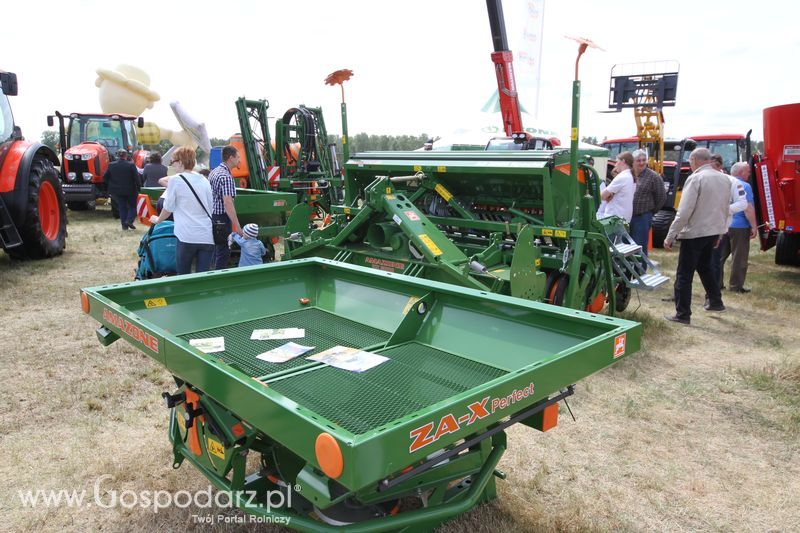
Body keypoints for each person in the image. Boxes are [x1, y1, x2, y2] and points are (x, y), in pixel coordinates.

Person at [663, 148, 732, 324]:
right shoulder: (725, 179)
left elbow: (684, 211)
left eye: (691, 161)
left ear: (694, 160)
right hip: (713, 231)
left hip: (694, 233)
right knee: (705, 267)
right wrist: (721, 232)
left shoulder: (696, 178)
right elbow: (725, 209)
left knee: (684, 275)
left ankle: (683, 314)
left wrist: (670, 235)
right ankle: (715, 301)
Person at [149, 146, 214, 274]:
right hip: (206, 235)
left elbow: (168, 208)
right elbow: (210, 207)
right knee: (204, 277)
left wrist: (158, 220)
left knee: (183, 276)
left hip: (186, 236)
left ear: (180, 162)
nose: (172, 165)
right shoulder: (204, 180)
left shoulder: (175, 180)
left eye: (172, 161)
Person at [719, 161, 758, 293]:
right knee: (739, 258)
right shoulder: (745, 186)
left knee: (719, 256)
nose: (749, 174)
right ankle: (735, 287)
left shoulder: (723, 183)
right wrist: (754, 226)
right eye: (747, 171)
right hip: (739, 227)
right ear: (741, 172)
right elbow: (748, 208)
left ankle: (716, 283)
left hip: (723, 224)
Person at [208, 146, 243, 269]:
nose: (240, 160)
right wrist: (237, 226)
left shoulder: (214, 172)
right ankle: (218, 281)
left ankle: (211, 276)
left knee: (215, 250)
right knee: (223, 252)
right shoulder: (226, 177)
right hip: (222, 219)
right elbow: (227, 202)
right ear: (231, 158)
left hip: (213, 216)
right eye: (238, 157)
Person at [630, 149, 666, 255]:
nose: (641, 163)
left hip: (642, 217)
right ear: (633, 162)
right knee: (626, 246)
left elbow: (661, 197)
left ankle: (640, 270)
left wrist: (650, 212)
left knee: (639, 246)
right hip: (626, 216)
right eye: (638, 160)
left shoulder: (654, 177)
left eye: (643, 160)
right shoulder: (628, 174)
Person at [103, 149, 140, 230]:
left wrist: (110, 185)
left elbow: (105, 177)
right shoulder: (131, 165)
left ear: (117, 155)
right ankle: (129, 220)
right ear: (126, 155)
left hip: (116, 191)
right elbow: (136, 178)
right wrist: (139, 188)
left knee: (122, 207)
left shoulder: (111, 165)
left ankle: (124, 225)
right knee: (132, 206)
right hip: (130, 190)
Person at [599, 151, 636, 222]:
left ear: (623, 161)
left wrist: (608, 196)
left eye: (617, 161)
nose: (615, 164)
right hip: (624, 218)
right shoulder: (630, 176)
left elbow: (602, 196)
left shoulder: (622, 177)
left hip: (614, 219)